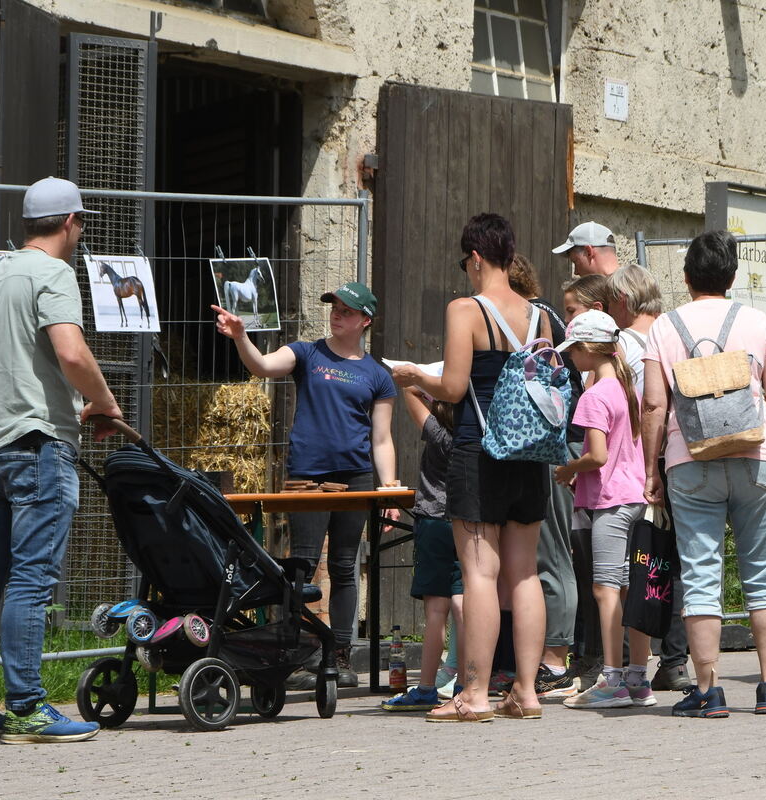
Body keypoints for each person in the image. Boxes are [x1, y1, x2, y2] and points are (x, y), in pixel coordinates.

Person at [0, 176, 119, 744]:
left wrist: (11, 390)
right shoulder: (53, 274)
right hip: (39, 445)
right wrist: (100, 401)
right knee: (30, 578)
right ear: (71, 222)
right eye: (81, 223)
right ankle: (25, 706)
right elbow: (70, 351)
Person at [392, 213, 551, 722]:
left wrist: (415, 375)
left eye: (467, 262)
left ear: (476, 258)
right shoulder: (541, 315)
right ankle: (526, 692)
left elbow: (455, 388)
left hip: (480, 451)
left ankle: (476, 694)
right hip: (529, 454)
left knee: (480, 573)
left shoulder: (465, 310)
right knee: (524, 574)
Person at [642, 230, 766, 718]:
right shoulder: (757, 320)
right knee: (762, 572)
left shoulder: (664, 327)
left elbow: (653, 404)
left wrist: (653, 466)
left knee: (699, 574)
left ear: (687, 277)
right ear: (732, 277)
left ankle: (708, 689)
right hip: (760, 459)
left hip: (690, 462)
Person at [212, 281, 399, 690]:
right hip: (307, 478)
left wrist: (390, 489)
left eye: (347, 310)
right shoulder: (305, 352)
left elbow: (381, 439)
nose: (337, 313)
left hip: (356, 479)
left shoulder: (378, 375)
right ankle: (294, 652)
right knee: (302, 565)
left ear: (365, 321)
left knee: (345, 565)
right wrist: (242, 338)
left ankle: (340, 655)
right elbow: (261, 366)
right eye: (335, 306)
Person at [551, 311, 654, 710]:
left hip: (609, 500)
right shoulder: (628, 389)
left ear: (589, 349)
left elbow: (596, 454)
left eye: (574, 350)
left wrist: (568, 470)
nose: (572, 358)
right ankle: (637, 677)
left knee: (604, 587)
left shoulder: (595, 396)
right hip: (633, 498)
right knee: (631, 589)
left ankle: (612, 679)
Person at [606, 265, 691, 692]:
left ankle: (623, 660)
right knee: (675, 561)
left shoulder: (623, 346)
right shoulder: (676, 330)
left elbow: (638, 411)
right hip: (686, 456)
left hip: (645, 465)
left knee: (636, 563)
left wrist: (645, 471)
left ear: (623, 300)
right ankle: (676, 661)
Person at [507, 255, 582, 700]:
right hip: (557, 443)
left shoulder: (536, 317)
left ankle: (555, 660)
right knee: (549, 552)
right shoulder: (550, 313)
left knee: (554, 553)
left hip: (554, 445)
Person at [382, 389, 464, 711]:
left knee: (435, 612)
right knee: (463, 603)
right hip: (467, 520)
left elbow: (409, 390)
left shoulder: (437, 432)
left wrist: (422, 380)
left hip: (434, 522)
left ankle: (428, 686)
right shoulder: (472, 436)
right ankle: (465, 684)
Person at [553, 221, 620, 276]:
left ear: (589, 252)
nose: (576, 272)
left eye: (575, 262)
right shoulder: (628, 286)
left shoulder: (617, 291)